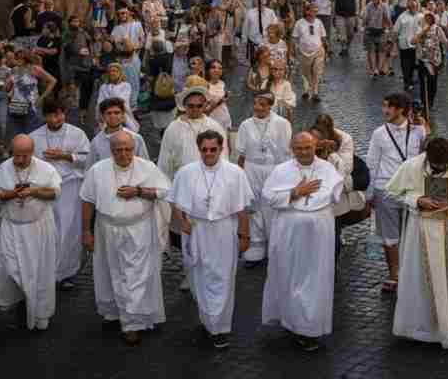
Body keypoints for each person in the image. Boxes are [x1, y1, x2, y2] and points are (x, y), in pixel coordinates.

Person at [385, 136, 448, 349]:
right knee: (420, 278)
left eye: (443, 166)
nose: (441, 169)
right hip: (420, 230)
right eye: (437, 166)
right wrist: (417, 200)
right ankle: (422, 329)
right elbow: (392, 192)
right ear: (427, 157)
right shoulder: (411, 166)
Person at [80, 130, 170, 345]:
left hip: (139, 231)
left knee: (136, 276)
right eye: (118, 150)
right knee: (110, 273)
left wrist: (138, 191)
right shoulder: (97, 170)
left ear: (134, 148)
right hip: (107, 230)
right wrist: (86, 231)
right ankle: (115, 311)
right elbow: (87, 200)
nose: (123, 154)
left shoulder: (147, 167)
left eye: (128, 149)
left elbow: (164, 191)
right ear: (111, 151)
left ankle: (133, 323)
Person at [168, 130, 254, 350]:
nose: (208, 153)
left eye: (213, 149)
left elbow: (242, 209)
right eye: (204, 149)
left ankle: (220, 327)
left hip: (224, 229)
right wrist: (182, 222)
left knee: (223, 277)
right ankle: (207, 319)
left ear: (221, 148)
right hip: (196, 229)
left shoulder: (235, 173)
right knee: (198, 276)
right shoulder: (186, 173)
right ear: (199, 149)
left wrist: (244, 235)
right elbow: (175, 202)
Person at [261, 132, 345, 352]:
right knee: (290, 276)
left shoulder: (327, 169)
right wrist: (296, 192)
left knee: (315, 278)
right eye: (299, 148)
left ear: (315, 146)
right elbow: (268, 197)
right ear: (292, 148)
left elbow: (336, 193)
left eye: (307, 147)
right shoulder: (281, 171)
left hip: (319, 236)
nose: (303, 152)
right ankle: (292, 321)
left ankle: (310, 329)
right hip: (288, 234)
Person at [0, 134, 61, 331]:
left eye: (24, 156)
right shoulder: (5, 168)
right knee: (12, 270)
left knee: (40, 273)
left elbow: (55, 192)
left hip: (39, 229)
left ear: (32, 153)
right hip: (12, 227)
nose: (19, 160)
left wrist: (34, 192)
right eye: (16, 155)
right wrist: (12, 194)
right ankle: (21, 302)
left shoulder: (46, 169)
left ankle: (39, 313)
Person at [366, 91, 426, 293]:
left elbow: (424, 158)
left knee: (413, 233)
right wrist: (370, 193)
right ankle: (394, 274)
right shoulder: (379, 133)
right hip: (387, 190)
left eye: (388, 107)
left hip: (412, 190)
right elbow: (372, 163)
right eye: (384, 106)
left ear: (400, 109)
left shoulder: (419, 131)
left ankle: (411, 272)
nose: (384, 111)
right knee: (390, 237)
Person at [30, 97, 91, 289]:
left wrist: (65, 156)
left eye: (61, 113)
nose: (58, 118)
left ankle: (66, 273)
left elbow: (88, 158)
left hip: (70, 187)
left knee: (69, 229)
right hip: (45, 188)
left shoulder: (77, 134)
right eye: (53, 114)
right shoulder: (34, 136)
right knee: (49, 230)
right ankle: (46, 271)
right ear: (45, 116)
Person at [235, 90, 292, 266]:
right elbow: (241, 152)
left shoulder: (282, 124)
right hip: (252, 168)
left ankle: (274, 244)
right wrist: (240, 173)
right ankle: (257, 245)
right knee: (254, 206)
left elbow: (287, 151)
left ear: (270, 105)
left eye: (262, 104)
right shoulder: (245, 125)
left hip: (273, 169)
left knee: (271, 205)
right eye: (256, 103)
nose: (258, 107)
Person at [88, 97, 150, 167]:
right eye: (109, 113)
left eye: (116, 113)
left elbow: (145, 164)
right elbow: (91, 168)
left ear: (123, 115)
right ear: (102, 116)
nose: (113, 116)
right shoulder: (96, 142)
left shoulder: (135, 138)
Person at [292, 3, 326, 101]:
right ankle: (306, 90)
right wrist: (294, 49)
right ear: (307, 11)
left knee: (316, 71)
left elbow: (323, 37)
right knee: (306, 73)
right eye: (313, 11)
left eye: (316, 11)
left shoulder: (319, 22)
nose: (315, 13)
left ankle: (315, 92)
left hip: (318, 51)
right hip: (304, 52)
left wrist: (325, 50)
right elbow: (294, 38)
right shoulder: (299, 23)